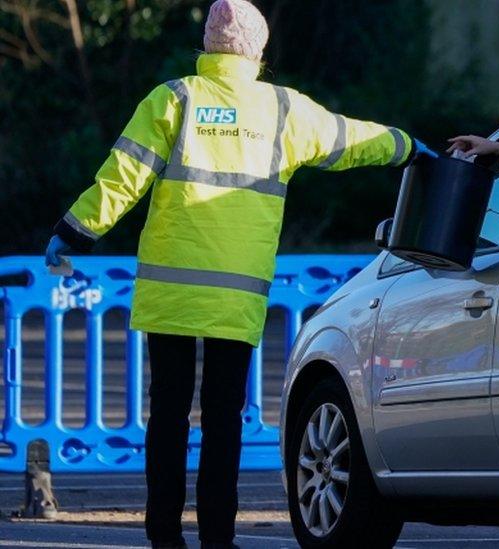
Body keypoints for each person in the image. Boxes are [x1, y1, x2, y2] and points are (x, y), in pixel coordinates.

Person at [43, 1, 435, 547]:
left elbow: (122, 176)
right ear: (258, 50)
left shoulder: (174, 99)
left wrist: (75, 229)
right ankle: (218, 539)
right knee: (224, 420)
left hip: (171, 291)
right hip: (236, 295)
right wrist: (408, 147)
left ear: (207, 45)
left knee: (169, 416)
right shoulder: (283, 110)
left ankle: (163, 535)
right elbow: (350, 139)